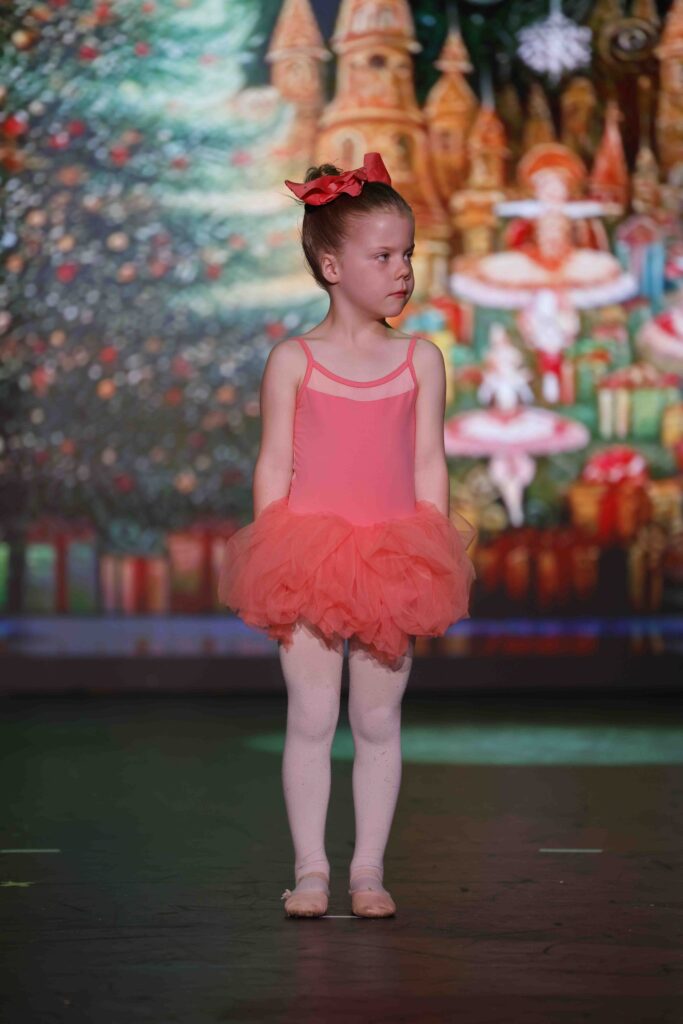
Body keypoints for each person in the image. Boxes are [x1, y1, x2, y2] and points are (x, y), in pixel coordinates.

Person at [218, 152, 476, 920]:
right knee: (309, 717)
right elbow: (274, 463)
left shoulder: (418, 359)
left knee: (376, 720)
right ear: (331, 266)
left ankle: (367, 872)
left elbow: (427, 463)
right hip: (308, 560)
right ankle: (310, 872)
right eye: (383, 256)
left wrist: (428, 551)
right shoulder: (293, 360)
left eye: (407, 255)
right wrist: (275, 554)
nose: (402, 271)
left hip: (393, 560)